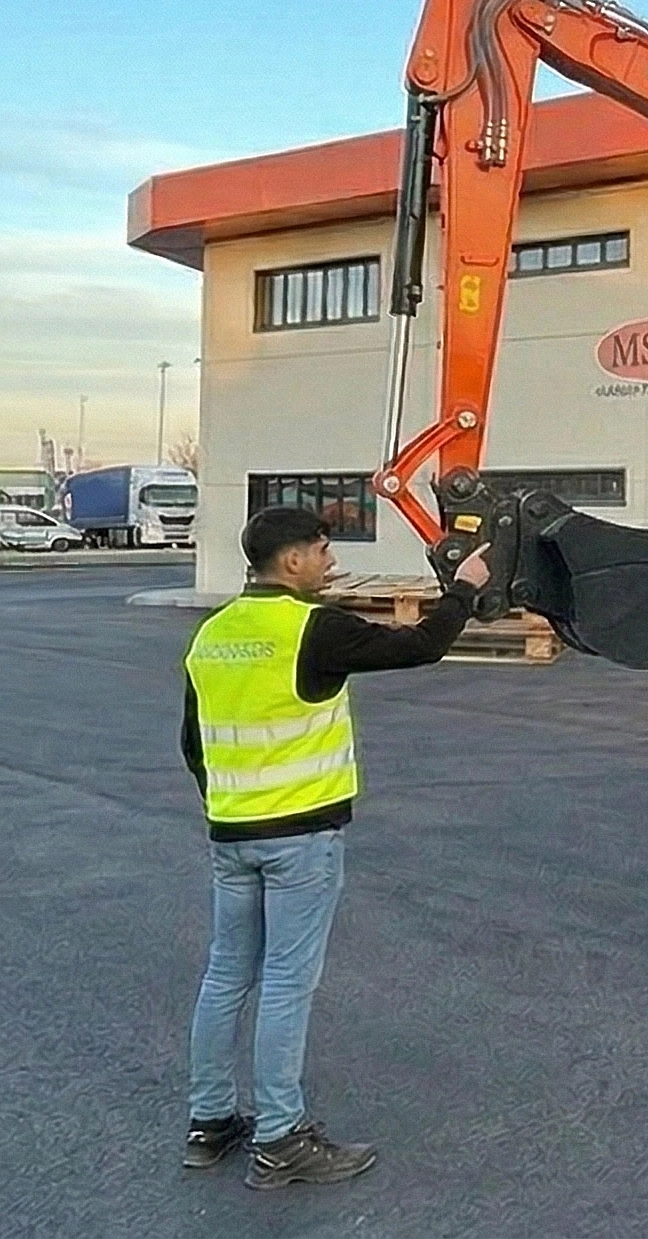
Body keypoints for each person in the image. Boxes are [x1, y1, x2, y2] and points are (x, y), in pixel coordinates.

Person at [179, 506, 490, 1189]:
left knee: (226, 975)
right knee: (287, 983)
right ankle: (280, 1138)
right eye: (323, 550)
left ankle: (210, 1122)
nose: (332, 561)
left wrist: (231, 802)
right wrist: (464, 589)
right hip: (300, 838)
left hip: (231, 833)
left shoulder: (214, 633)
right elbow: (420, 646)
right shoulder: (314, 628)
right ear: (292, 560)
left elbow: (192, 741)